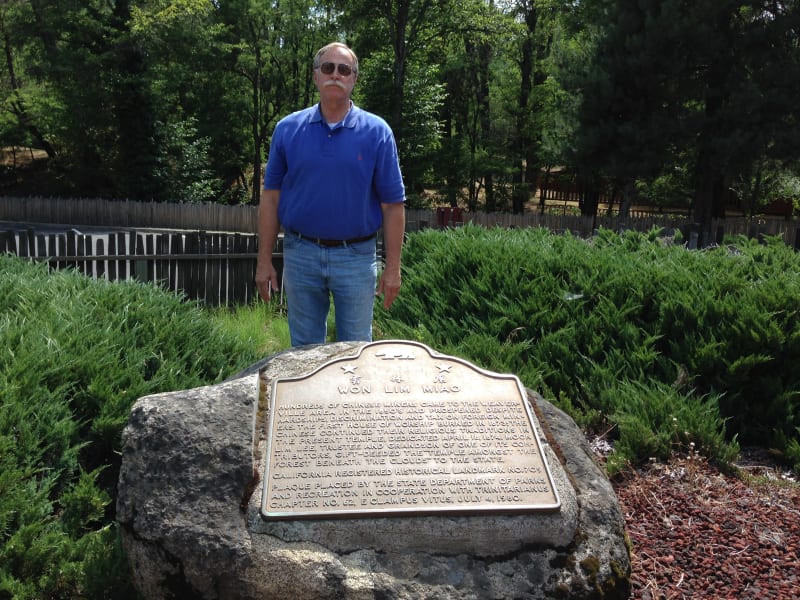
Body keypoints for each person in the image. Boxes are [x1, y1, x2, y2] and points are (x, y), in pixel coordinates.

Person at [255, 42, 406, 347]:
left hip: (357, 257)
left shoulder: (378, 132)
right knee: (304, 354)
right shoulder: (287, 130)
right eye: (328, 68)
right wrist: (263, 261)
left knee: (356, 354)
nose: (335, 75)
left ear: (354, 79)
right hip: (301, 255)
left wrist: (392, 268)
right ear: (315, 76)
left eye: (344, 69)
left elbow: (393, 206)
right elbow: (270, 198)